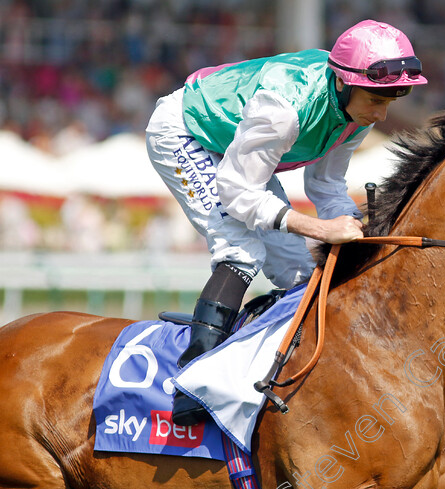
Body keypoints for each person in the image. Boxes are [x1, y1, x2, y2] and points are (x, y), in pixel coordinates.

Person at [145, 20, 426, 425]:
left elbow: (326, 184)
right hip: (185, 132)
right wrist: (321, 229)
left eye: (392, 99)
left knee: (297, 269)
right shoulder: (285, 110)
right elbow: (238, 193)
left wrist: (360, 232)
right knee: (241, 249)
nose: (381, 114)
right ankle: (194, 380)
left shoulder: (353, 112)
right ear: (345, 83)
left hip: (233, 147)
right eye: (376, 98)